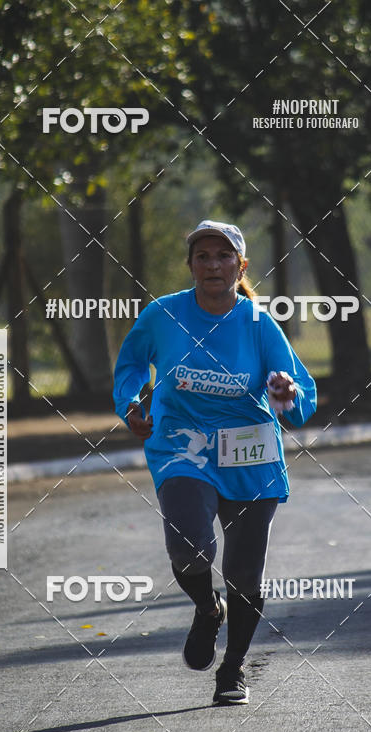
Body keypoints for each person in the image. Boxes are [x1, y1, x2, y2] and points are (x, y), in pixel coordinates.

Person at [113, 220, 317, 705]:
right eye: (203, 256)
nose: (213, 265)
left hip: (249, 453)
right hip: (184, 448)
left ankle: (233, 670)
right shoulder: (164, 314)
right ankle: (207, 609)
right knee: (190, 548)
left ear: (240, 266)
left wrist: (286, 395)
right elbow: (131, 365)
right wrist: (131, 404)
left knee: (245, 575)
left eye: (224, 257)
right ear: (191, 266)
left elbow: (300, 395)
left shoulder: (257, 322)